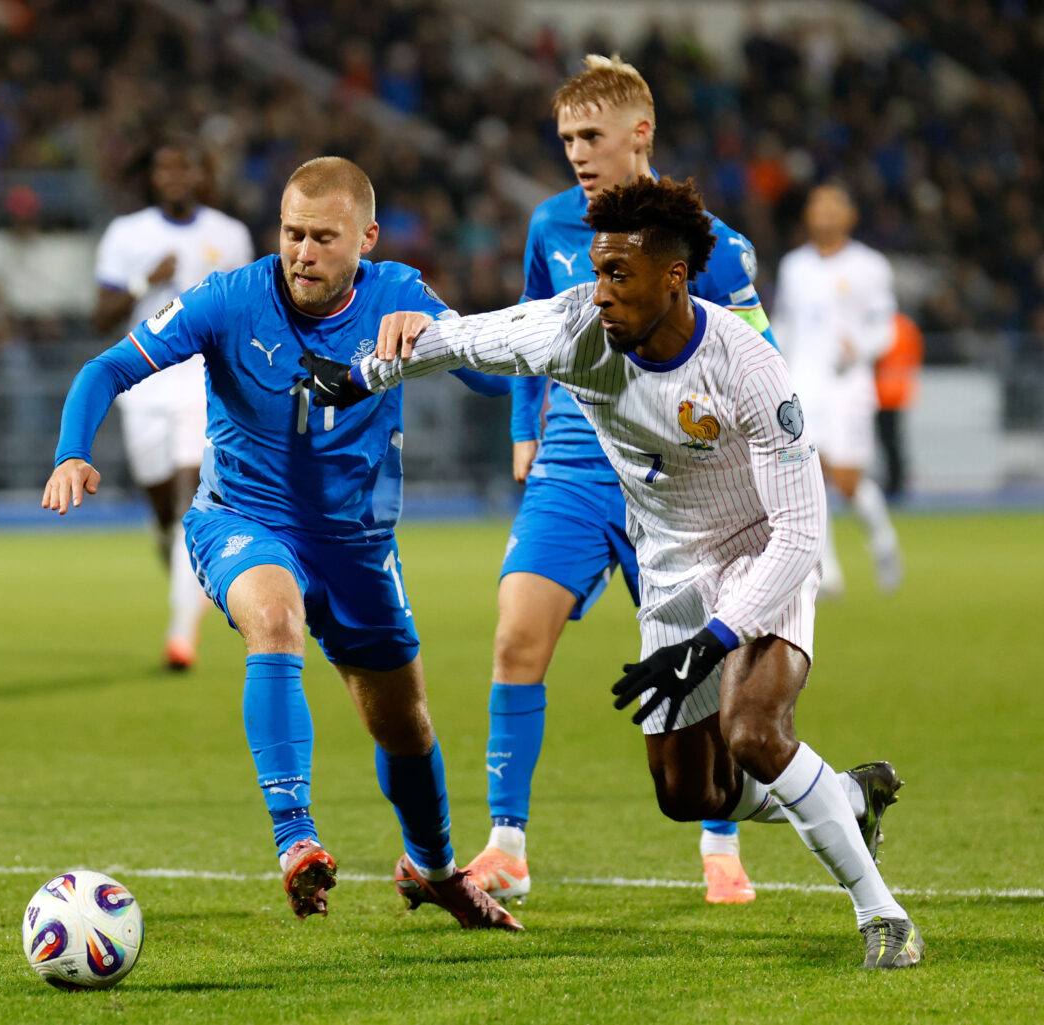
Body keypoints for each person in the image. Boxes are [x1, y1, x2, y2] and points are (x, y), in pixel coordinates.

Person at [307, 176, 922, 969]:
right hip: (671, 567)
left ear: (675, 278)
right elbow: (465, 340)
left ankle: (884, 915)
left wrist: (718, 640)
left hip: (761, 554)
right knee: (685, 793)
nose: (599, 292)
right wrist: (358, 374)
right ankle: (841, 795)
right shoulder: (577, 330)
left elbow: (802, 531)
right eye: (597, 271)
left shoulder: (750, 368)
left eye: (619, 276)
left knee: (754, 728)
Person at [45, 156, 519, 930]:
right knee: (274, 616)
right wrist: (73, 448)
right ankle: (296, 838)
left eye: (323, 238)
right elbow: (105, 369)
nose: (302, 251)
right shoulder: (231, 297)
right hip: (244, 518)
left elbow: (502, 380)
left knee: (405, 726)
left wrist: (442, 338)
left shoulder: (400, 293)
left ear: (365, 237)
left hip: (359, 546)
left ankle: (435, 868)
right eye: (292, 233)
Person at [471, 55, 773, 906]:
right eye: (566, 137)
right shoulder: (548, 228)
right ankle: (506, 844)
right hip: (572, 463)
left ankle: (720, 841)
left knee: (703, 668)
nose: (575, 151)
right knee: (514, 637)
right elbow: (530, 333)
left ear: (640, 133)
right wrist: (524, 430)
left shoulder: (708, 243)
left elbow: (762, 362)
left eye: (591, 136)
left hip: (677, 480)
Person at [92, 135, 255, 670]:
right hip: (143, 386)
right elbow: (99, 315)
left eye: (186, 169)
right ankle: (183, 581)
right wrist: (145, 280)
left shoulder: (229, 235)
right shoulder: (128, 234)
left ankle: (181, 634)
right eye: (166, 170)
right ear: (153, 177)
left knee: (191, 500)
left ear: (200, 176)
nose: (176, 179)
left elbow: (249, 313)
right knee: (164, 511)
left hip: (200, 381)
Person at [773, 183, 902, 597]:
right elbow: (785, 323)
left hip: (849, 383)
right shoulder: (794, 266)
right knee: (811, 473)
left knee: (847, 481)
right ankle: (827, 570)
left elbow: (885, 327)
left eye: (833, 206)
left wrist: (861, 347)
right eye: (817, 206)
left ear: (850, 215)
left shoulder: (870, 266)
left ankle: (882, 541)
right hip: (804, 381)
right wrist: (776, 370)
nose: (824, 214)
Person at [874, 312, 923, 501]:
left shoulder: (882, 326)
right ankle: (898, 479)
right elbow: (916, 354)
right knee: (895, 439)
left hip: (883, 390)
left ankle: (894, 482)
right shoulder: (907, 325)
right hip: (900, 388)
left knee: (888, 440)